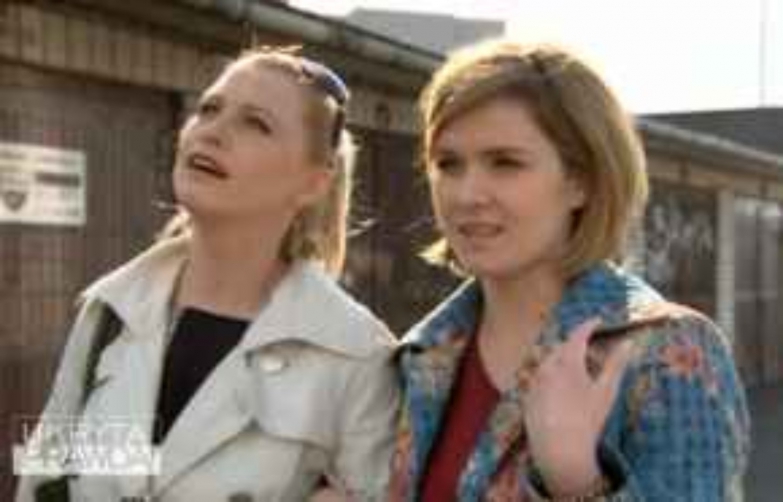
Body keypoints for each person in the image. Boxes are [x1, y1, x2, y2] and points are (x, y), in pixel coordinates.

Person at [16, 46, 398, 501]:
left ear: (314, 181)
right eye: (209, 109)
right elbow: (43, 482)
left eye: (256, 123)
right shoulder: (110, 310)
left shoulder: (358, 355)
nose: (213, 132)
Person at [387, 39, 750, 500]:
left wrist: (577, 483)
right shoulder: (417, 356)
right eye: (448, 164)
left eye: (505, 163)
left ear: (581, 180)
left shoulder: (667, 354)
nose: (467, 194)